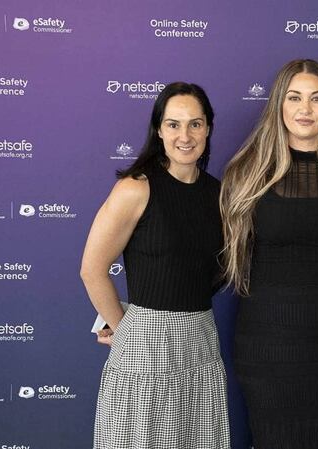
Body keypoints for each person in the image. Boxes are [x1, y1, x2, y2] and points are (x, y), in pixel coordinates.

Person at [219, 59, 318, 449]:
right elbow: (201, 252)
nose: (305, 109)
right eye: (294, 98)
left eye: (316, 98)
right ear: (279, 105)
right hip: (268, 347)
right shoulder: (246, 174)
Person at [80, 82, 230, 448]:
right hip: (145, 344)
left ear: (208, 128)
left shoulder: (219, 194)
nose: (185, 135)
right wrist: (124, 331)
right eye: (173, 124)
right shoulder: (136, 188)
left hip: (201, 340)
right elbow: (92, 269)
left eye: (195, 124)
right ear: (159, 130)